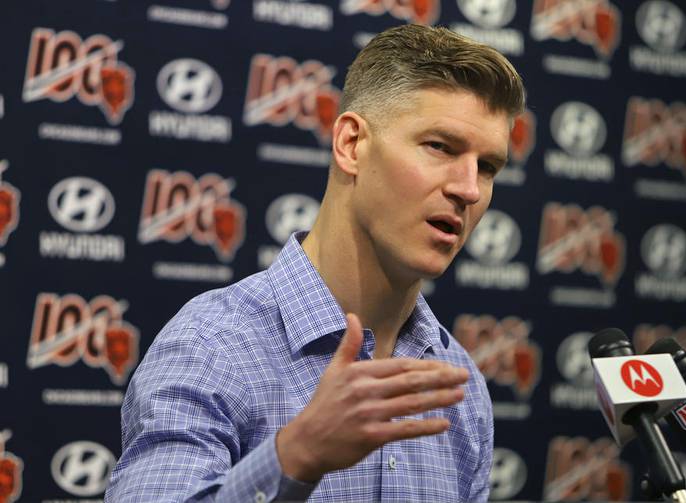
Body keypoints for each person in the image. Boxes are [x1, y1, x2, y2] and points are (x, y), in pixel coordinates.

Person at [106, 24, 525, 502]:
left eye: (487, 166)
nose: (469, 189)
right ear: (351, 144)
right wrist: (295, 456)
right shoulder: (213, 346)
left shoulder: (459, 385)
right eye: (441, 147)